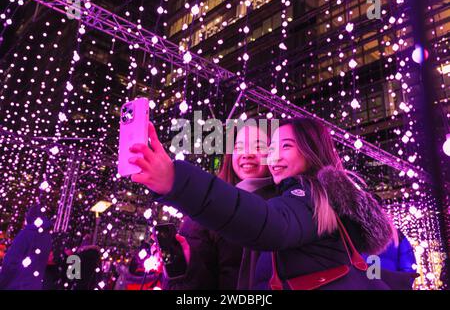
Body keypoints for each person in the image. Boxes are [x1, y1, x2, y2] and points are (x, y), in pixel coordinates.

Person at [128, 118, 395, 289]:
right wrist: (183, 269)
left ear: (310, 150)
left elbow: (268, 224)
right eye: (272, 149)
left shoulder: (305, 196)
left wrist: (176, 180)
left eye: (263, 146)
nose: (270, 156)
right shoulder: (205, 211)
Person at [164, 122, 277, 290]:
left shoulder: (287, 206)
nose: (247, 154)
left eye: (259, 147)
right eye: (238, 147)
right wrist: (187, 264)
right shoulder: (207, 207)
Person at [0, 205, 52, 290]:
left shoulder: (27, 234)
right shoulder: (47, 237)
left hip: (16, 285)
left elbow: (10, 262)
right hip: (35, 285)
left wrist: (2, 282)